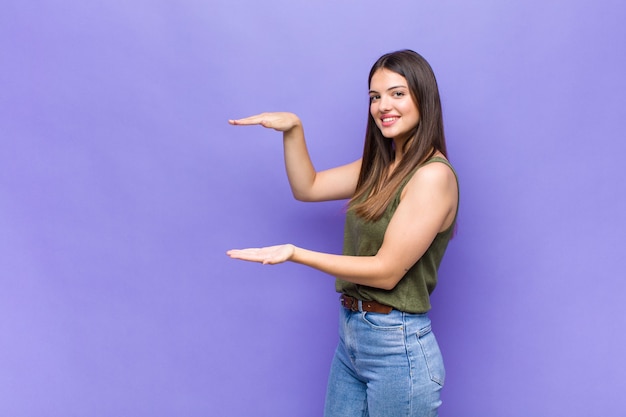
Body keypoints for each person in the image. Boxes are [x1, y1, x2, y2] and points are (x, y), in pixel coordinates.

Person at [227, 49, 459, 417]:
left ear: (423, 98)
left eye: (397, 93)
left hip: (396, 346)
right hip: (353, 336)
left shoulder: (432, 176)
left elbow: (386, 271)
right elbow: (309, 187)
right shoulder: (378, 166)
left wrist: (295, 253)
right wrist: (293, 129)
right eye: (375, 96)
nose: (384, 105)